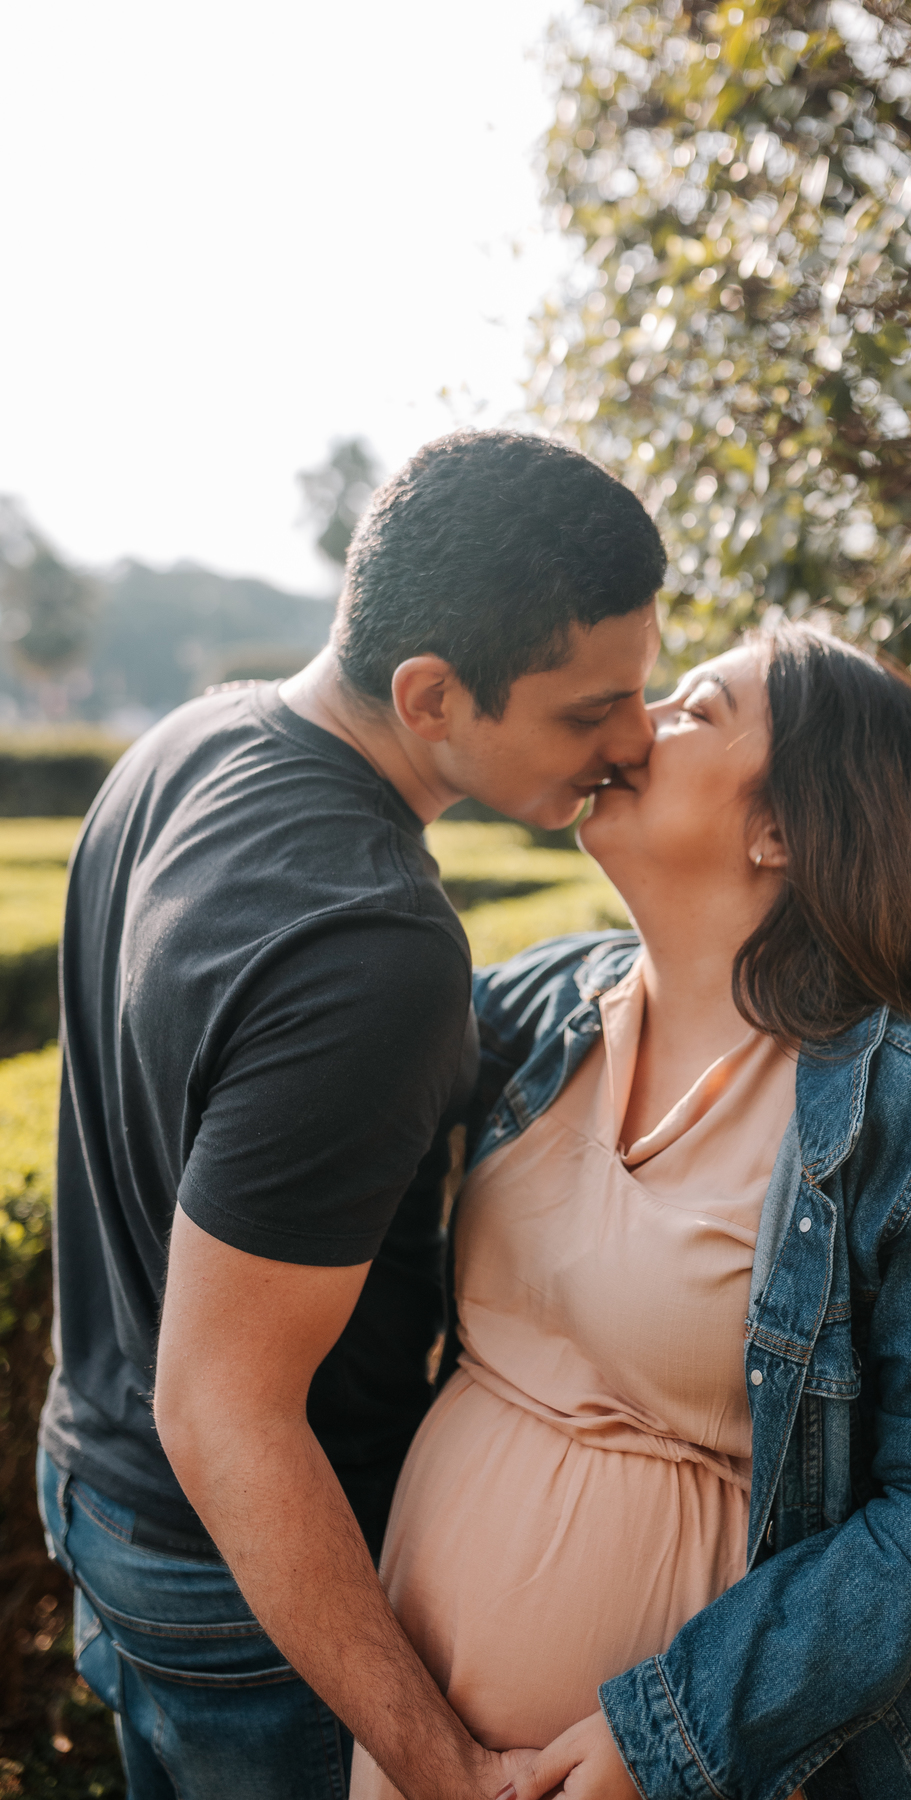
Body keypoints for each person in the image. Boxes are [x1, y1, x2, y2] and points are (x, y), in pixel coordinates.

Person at [354, 622, 911, 1800]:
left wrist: (666, 1740)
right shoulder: (542, 1008)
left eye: (695, 708)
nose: (634, 725)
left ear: (783, 829)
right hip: (423, 1741)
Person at [37, 428, 664, 1800]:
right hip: (248, 1595)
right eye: (589, 711)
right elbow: (223, 1409)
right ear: (432, 693)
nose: (635, 743)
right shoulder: (376, 949)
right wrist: (444, 1768)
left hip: (96, 1494)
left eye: (646, 689)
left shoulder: (186, 740)